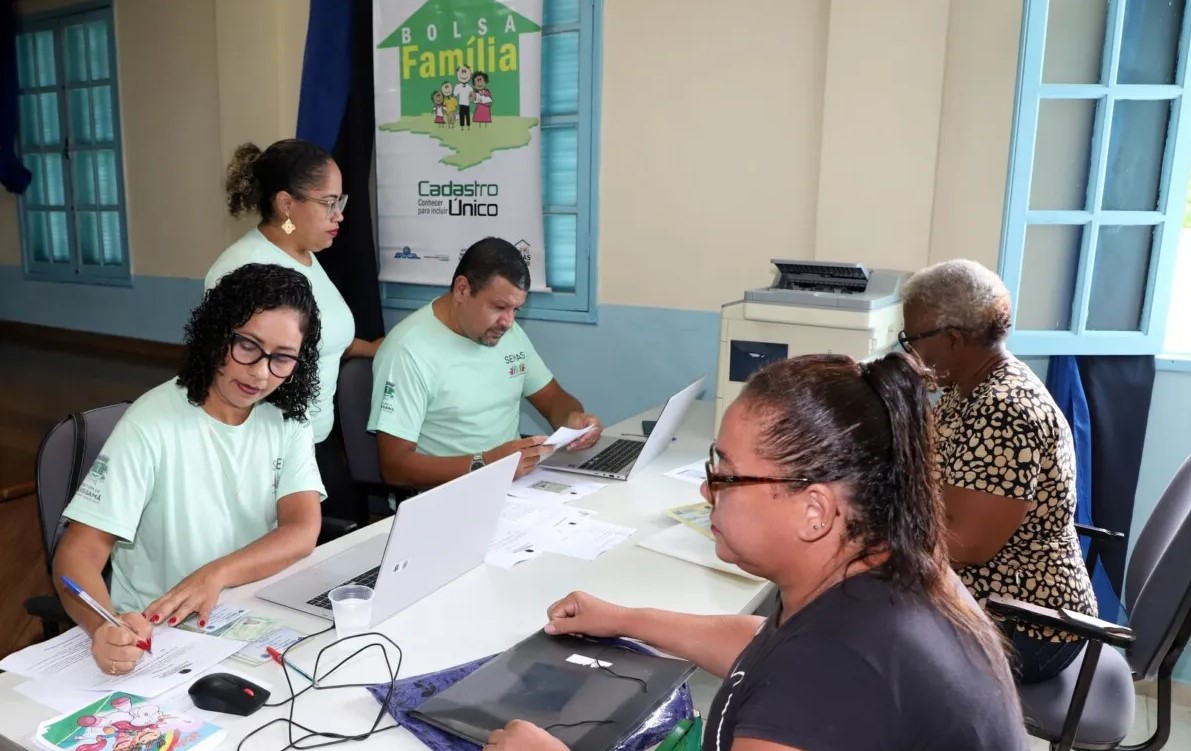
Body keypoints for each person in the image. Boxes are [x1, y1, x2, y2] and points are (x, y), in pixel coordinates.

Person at [485, 353, 1028, 751]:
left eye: (724, 474)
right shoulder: (889, 570)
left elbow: (803, 673)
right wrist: (625, 619)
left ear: (815, 510)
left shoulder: (835, 676)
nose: (705, 491)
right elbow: (768, 649)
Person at [53, 264, 326, 676]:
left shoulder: (286, 418)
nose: (260, 372)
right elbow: (77, 555)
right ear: (217, 334)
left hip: (245, 617)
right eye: (248, 346)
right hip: (158, 634)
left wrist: (214, 575)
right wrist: (102, 627)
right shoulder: (151, 425)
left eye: (282, 358)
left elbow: (302, 529)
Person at [899, 258, 1097, 684]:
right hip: (983, 597)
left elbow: (967, 545)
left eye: (911, 338)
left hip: (1027, 623)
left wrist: (875, 529)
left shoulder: (1005, 410)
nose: (909, 352)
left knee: (863, 643)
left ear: (953, 339)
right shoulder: (965, 386)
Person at [209, 138, 381, 518]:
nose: (339, 215)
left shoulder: (304, 255)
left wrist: (371, 348)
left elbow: (315, 339)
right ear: (286, 204)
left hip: (314, 443)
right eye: (328, 203)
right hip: (264, 456)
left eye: (342, 202)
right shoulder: (245, 270)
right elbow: (227, 373)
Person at [369, 237, 601, 488]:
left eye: (516, 310)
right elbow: (394, 466)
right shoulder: (408, 350)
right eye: (500, 306)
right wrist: (486, 463)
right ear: (462, 290)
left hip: (515, 488)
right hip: (446, 496)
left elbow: (554, 400)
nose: (508, 322)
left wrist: (574, 420)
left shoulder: (508, 335)